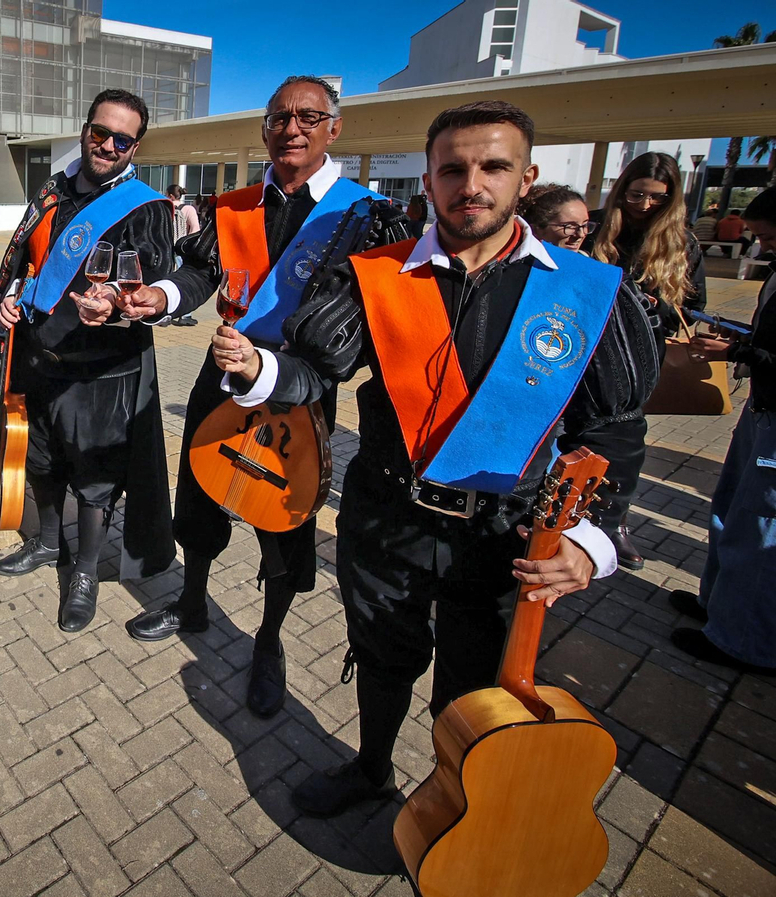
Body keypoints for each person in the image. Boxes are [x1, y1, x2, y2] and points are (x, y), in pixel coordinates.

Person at [211, 101, 656, 817]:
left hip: (505, 533)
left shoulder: (587, 291)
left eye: (493, 167)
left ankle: (459, 794)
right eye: (453, 168)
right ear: (428, 178)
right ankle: (372, 767)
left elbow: (615, 429)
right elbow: (316, 369)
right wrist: (257, 368)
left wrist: (593, 538)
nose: (470, 184)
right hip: (387, 516)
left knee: (473, 683)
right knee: (383, 656)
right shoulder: (375, 275)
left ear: (527, 177)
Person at [127, 75, 410, 720]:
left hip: (301, 390)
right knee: (199, 491)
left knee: (284, 521)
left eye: (309, 117)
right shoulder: (235, 206)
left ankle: (270, 640)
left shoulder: (366, 216)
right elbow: (202, 271)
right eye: (280, 117)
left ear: (333, 129)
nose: (293, 128)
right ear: (265, 129)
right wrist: (163, 298)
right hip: (223, 369)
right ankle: (192, 599)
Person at [0, 88, 194, 632]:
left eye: (122, 139)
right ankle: (48, 543)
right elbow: (24, 263)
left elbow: (150, 284)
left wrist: (119, 305)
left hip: (102, 370)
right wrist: (12, 295)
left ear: (136, 146)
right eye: (99, 132)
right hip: (41, 357)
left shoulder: (147, 207)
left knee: (95, 478)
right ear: (85, 129)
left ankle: (84, 570)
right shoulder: (53, 190)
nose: (107, 145)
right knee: (43, 464)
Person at [669, 187, 776, 673]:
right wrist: (743, 338)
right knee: (733, 507)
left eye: (770, 238)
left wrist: (738, 353)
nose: (764, 247)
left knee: (760, 525)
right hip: (762, 409)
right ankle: (718, 607)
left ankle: (742, 640)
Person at [588, 152, 704, 570]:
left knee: (624, 443)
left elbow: (693, 305)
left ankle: (613, 521)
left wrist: (657, 309)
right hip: (580, 353)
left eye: (657, 198)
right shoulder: (594, 225)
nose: (645, 205)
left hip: (636, 363)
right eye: (637, 194)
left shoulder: (680, 242)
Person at [165, 184, 202, 326]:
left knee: (166, 278)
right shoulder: (188, 209)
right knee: (183, 279)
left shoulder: (164, 206)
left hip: (165, 248)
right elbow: (195, 229)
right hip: (180, 249)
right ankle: (185, 315)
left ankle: (165, 314)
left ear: (170, 196)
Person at [519, 183, 592, 251]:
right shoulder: (519, 262)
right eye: (570, 226)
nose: (581, 234)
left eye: (585, 225)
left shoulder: (588, 263)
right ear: (535, 230)